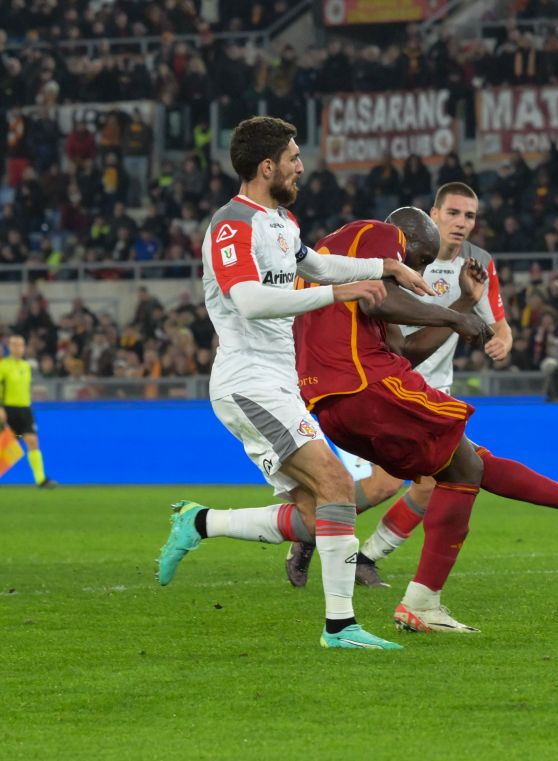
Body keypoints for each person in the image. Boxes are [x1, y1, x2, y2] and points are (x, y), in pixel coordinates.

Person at [155, 116, 432, 652]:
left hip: (279, 381)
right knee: (335, 486)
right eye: (293, 158)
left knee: (316, 514)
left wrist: (384, 268)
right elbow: (251, 300)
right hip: (248, 380)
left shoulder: (281, 221)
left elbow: (318, 265)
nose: (301, 167)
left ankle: (200, 522)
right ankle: (340, 628)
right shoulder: (234, 225)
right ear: (267, 167)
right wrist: (342, 295)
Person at [291, 208, 558, 633]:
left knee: (464, 463)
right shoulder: (377, 234)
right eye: (419, 260)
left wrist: (465, 303)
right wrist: (454, 317)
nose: (416, 271)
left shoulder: (343, 266)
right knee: (463, 466)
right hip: (364, 385)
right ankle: (421, 600)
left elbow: (404, 352)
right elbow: (383, 297)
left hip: (337, 403)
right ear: (407, 237)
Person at [0, 335, 56, 488]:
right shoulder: (3, 366)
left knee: (32, 441)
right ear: (9, 347)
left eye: (20, 345)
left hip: (24, 410)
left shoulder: (26, 366)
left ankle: (40, 479)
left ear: (24, 348)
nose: (17, 348)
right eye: (14, 345)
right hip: (8, 410)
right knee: (7, 445)